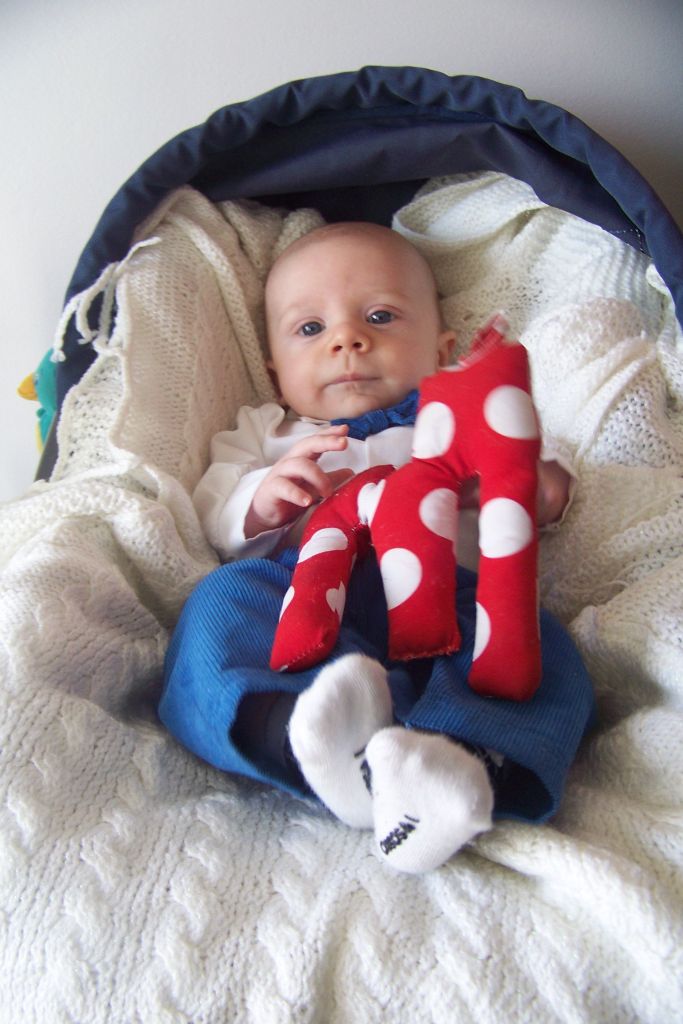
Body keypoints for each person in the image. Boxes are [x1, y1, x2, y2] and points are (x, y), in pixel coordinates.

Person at [159, 223, 594, 874]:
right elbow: (211, 510)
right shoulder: (266, 429)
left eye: (380, 316)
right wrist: (262, 499)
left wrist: (528, 485)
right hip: (301, 602)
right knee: (218, 605)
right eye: (310, 329)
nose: (346, 339)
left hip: (451, 598)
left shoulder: (460, 415)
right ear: (276, 372)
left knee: (541, 646)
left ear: (442, 349)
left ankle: (460, 765)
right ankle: (303, 736)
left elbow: (541, 482)